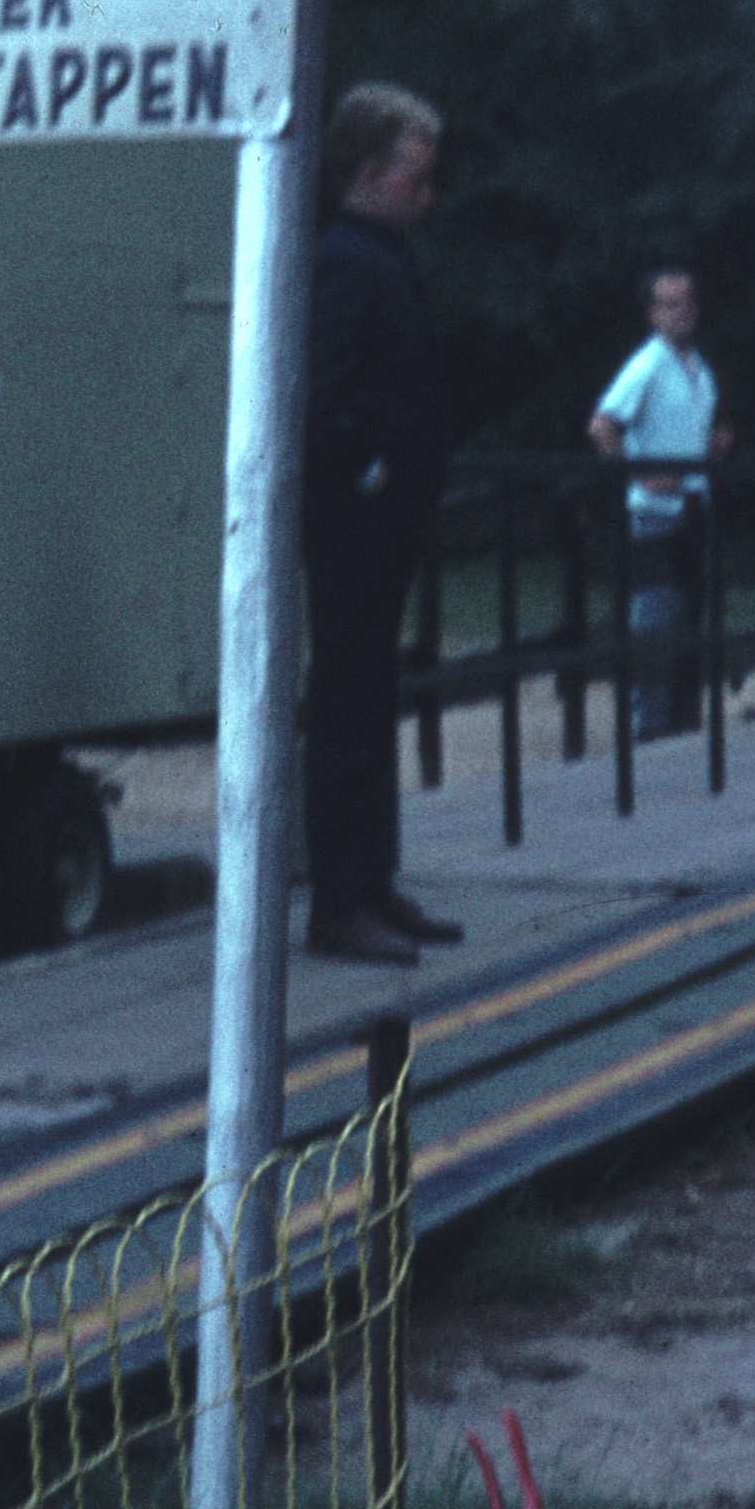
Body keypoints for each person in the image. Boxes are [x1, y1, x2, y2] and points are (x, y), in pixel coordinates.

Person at [299, 82, 462, 967]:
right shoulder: (347, 261)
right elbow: (321, 396)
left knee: (370, 696)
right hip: (354, 520)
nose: (426, 195)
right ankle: (340, 898)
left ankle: (369, 881)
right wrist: (372, 471)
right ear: (367, 173)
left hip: (384, 516)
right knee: (348, 701)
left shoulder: (378, 256)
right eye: (415, 177)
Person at [588, 269, 727, 738]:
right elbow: (603, 426)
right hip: (655, 514)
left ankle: (678, 725)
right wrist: (639, 473)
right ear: (652, 313)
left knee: (686, 620)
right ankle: (648, 729)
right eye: (669, 304)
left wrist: (712, 448)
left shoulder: (697, 367)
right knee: (654, 622)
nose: (681, 312)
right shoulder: (647, 365)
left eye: (687, 302)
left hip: (692, 509)